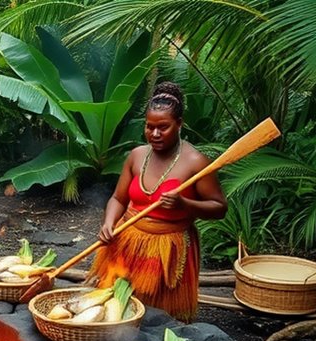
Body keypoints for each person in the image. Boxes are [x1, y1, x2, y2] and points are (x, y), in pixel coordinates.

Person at [90, 81, 227, 322]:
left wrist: (185, 204)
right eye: (149, 127)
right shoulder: (137, 156)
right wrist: (109, 223)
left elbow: (219, 208)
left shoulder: (196, 162)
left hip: (168, 251)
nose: (154, 134)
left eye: (163, 127)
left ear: (179, 124)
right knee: (115, 309)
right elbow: (118, 198)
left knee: (158, 320)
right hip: (127, 241)